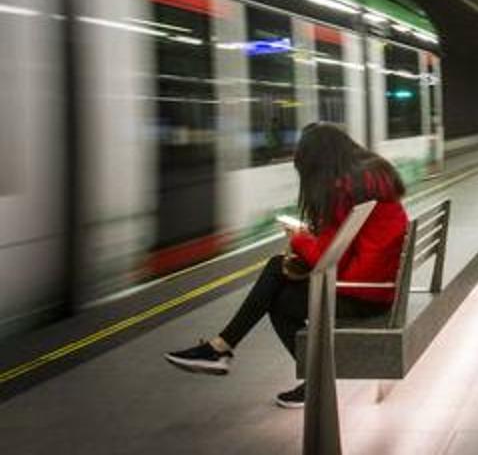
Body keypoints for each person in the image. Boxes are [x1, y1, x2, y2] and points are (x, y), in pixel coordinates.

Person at [164, 122, 409, 409]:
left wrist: (299, 239)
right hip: (376, 290)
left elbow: (330, 259)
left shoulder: (345, 190)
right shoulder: (370, 178)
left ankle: (228, 350)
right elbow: (343, 249)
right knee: (277, 279)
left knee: (278, 293)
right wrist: (309, 238)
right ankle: (223, 348)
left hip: (361, 294)